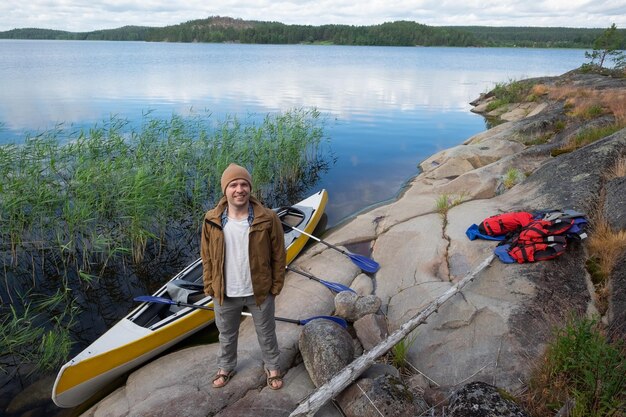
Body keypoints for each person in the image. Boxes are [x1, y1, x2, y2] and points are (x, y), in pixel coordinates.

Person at [201, 163, 286, 390]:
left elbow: (279, 254)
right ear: (225, 190)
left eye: (244, 184)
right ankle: (226, 367)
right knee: (226, 335)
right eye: (233, 185)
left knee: (266, 333)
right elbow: (206, 256)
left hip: (259, 291)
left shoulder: (267, 218)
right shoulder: (211, 220)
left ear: (250, 188)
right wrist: (209, 285)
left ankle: (273, 367)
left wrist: (275, 286)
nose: (239, 189)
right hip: (225, 291)